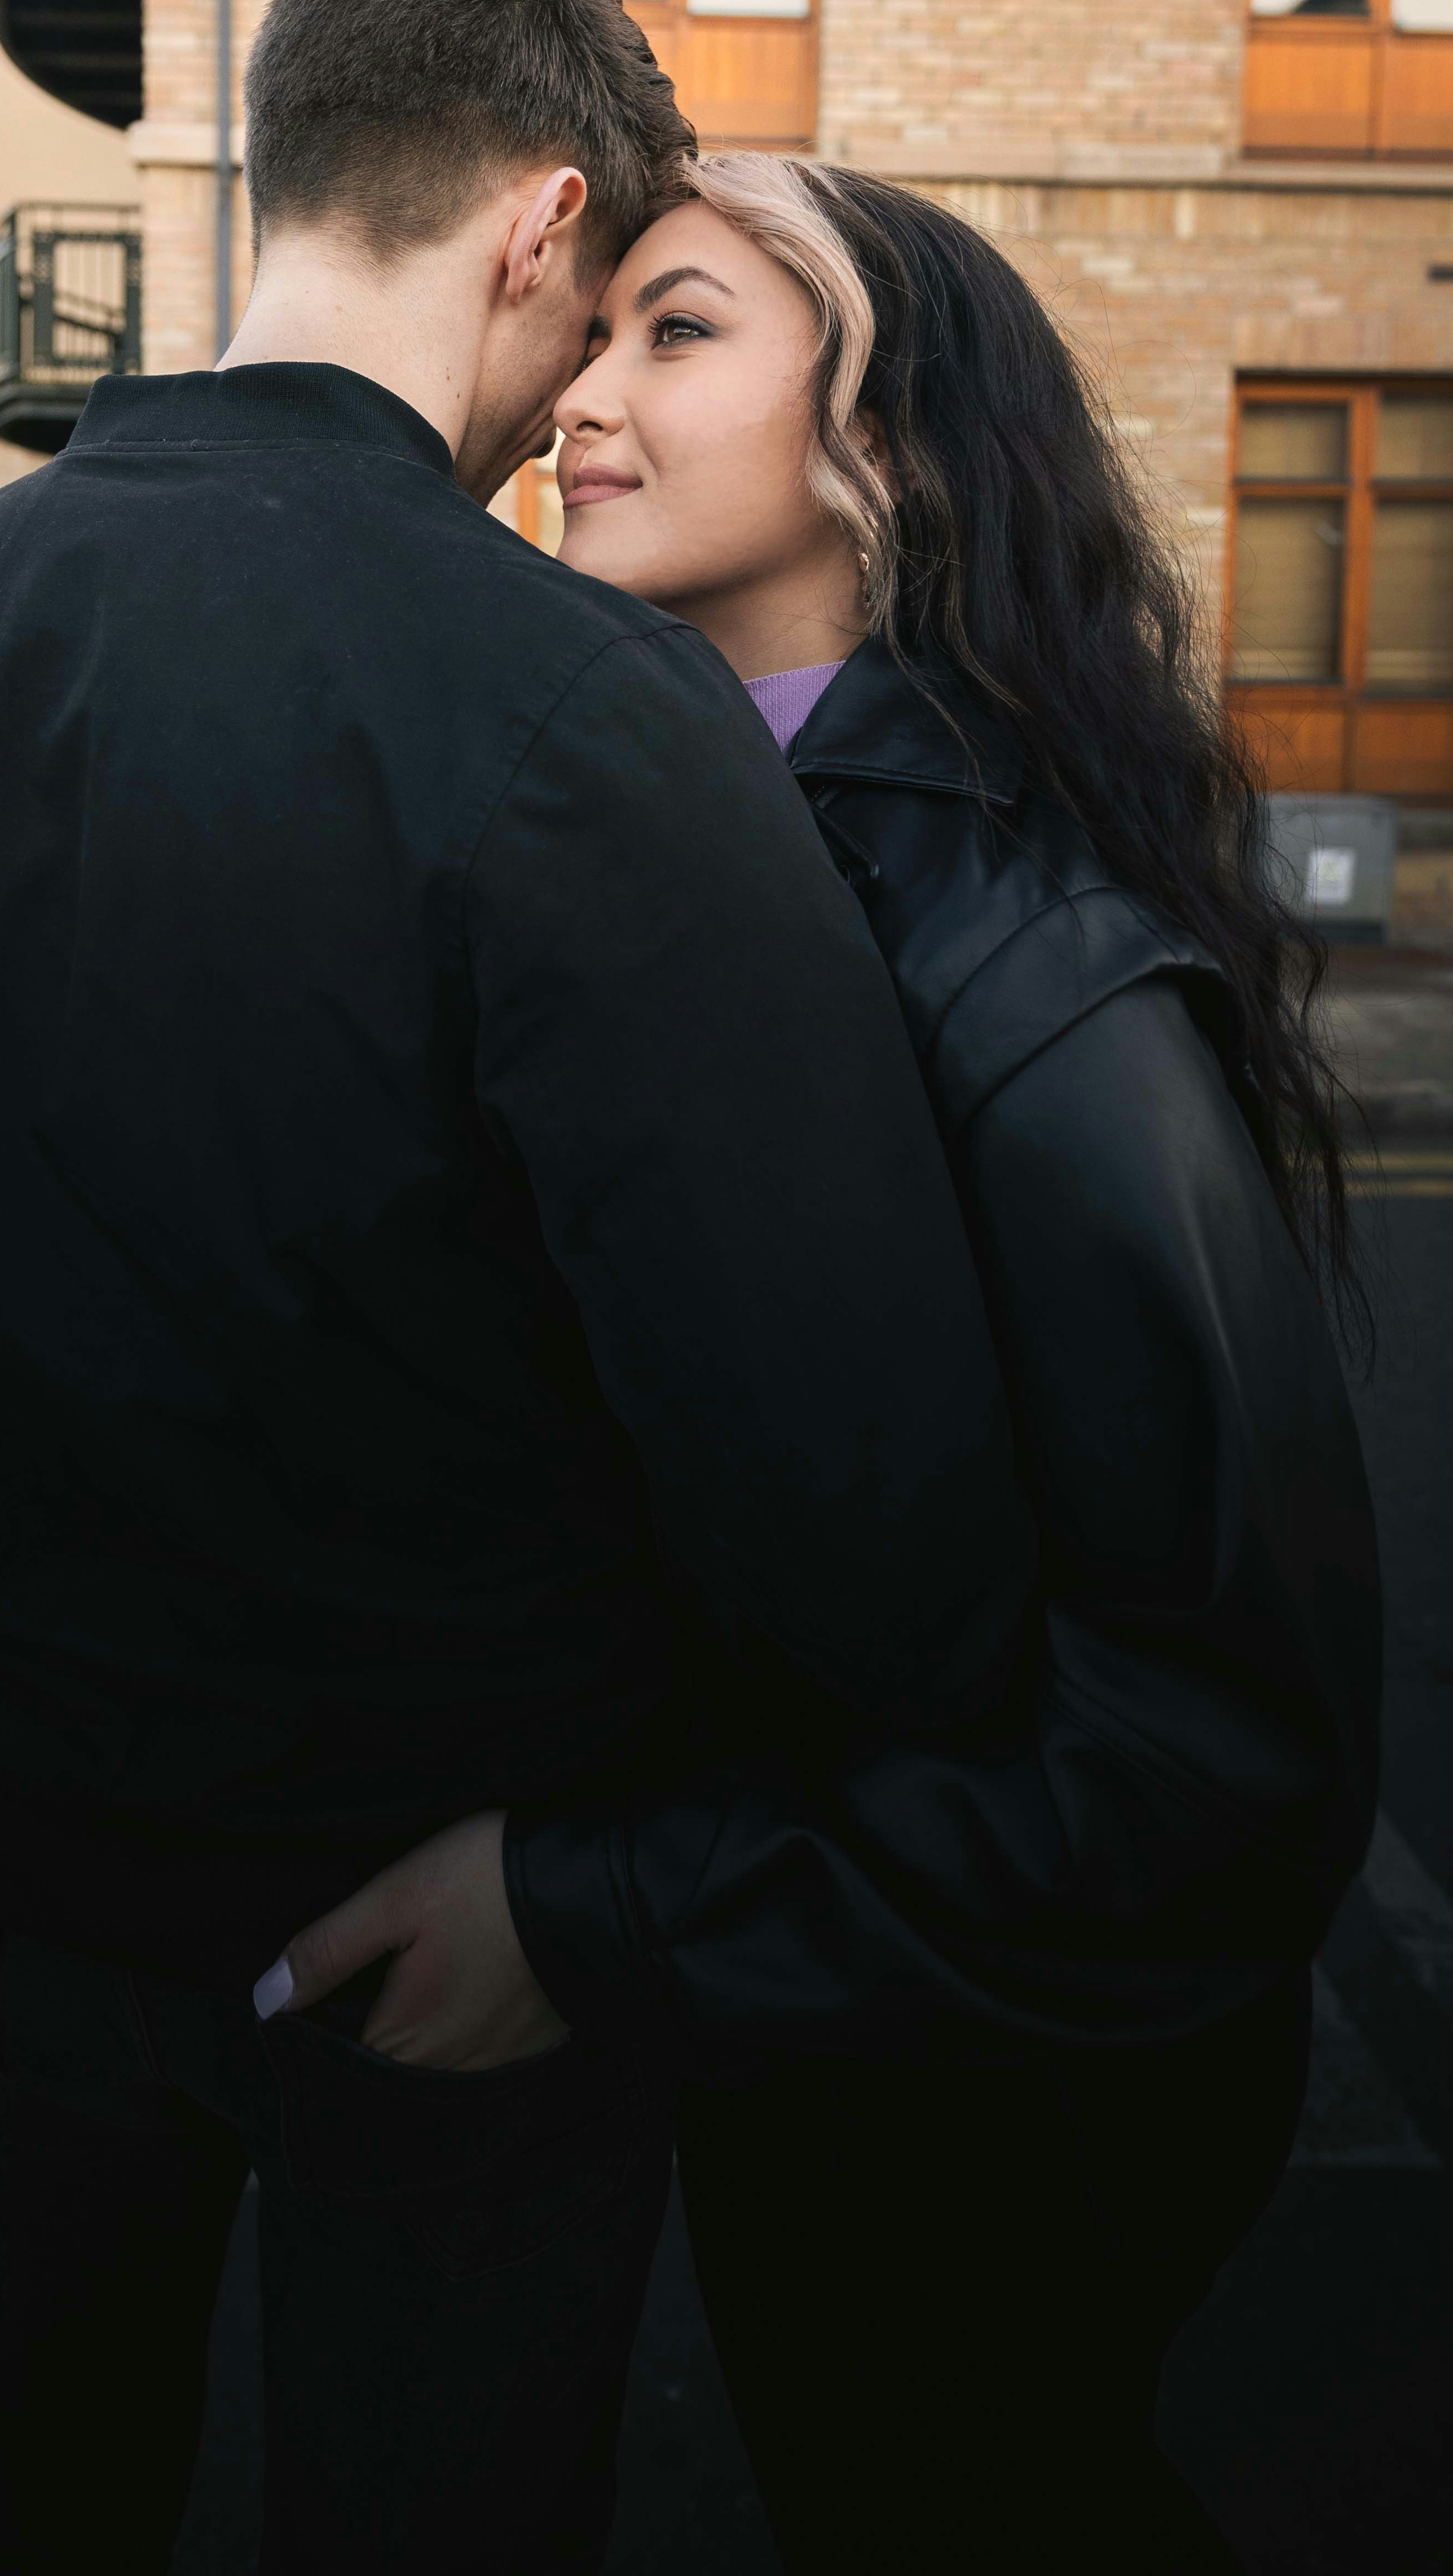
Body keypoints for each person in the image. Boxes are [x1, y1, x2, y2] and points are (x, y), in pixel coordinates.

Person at [0, 0, 1036, 2576]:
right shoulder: (582, 711)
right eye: (604, 315)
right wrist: (634, 1889)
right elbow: (845, 1468)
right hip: (446, 1939)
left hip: (23, 1874)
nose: (579, 402)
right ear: (540, 228)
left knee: (21, 2477)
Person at [477, 148, 1378, 2568]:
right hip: (835, 1986)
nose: (578, 393)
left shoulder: (1019, 959)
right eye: (593, 333)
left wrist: (591, 1917)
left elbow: (1215, 1743)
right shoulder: (727, 844)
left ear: (880, 445)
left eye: (674, 331)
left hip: (1005, 2066)